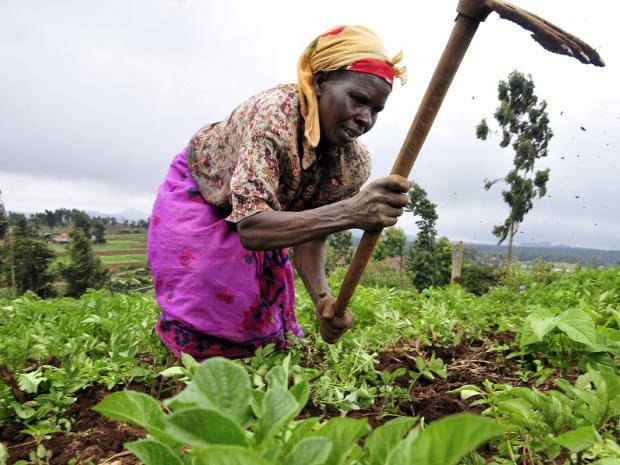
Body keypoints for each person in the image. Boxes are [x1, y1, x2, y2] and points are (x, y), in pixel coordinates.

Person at [147, 25, 411, 360]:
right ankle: (190, 368)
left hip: (264, 209)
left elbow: (311, 232)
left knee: (258, 322)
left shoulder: (352, 163)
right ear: (319, 83)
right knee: (211, 292)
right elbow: (252, 228)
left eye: (376, 110)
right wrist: (350, 212)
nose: (365, 119)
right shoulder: (274, 119)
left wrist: (323, 300)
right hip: (204, 190)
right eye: (358, 100)